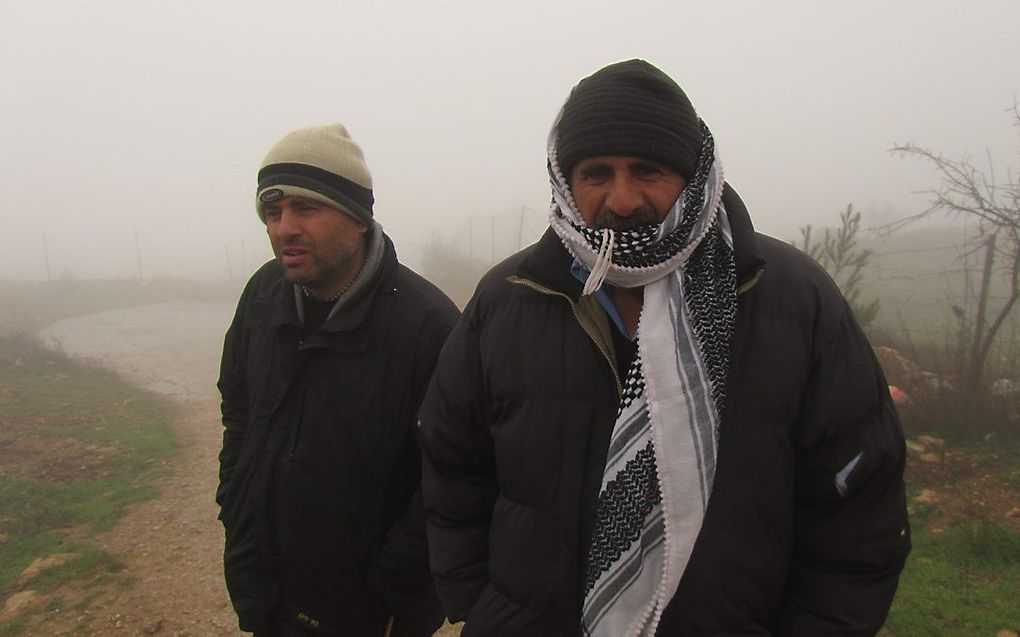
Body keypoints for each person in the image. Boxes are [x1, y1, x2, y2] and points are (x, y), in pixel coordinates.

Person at [418, 60, 910, 636]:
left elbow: (856, 499)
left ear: (694, 173)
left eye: (648, 170)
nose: (622, 200)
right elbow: (454, 463)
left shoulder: (790, 300)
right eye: (596, 172)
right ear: (564, 178)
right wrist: (484, 608)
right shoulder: (510, 300)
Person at [216, 123, 459, 636]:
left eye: (305, 209)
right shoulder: (264, 293)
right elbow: (238, 406)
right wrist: (234, 500)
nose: (284, 229)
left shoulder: (427, 324)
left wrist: (392, 582)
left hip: (369, 612)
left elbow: (450, 472)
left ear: (358, 219)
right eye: (272, 212)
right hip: (269, 594)